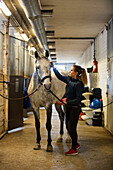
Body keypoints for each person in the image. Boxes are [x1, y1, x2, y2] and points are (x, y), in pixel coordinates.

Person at [53, 64, 87, 155]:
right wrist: (53, 67)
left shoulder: (79, 84)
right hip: (68, 107)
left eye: (71, 70)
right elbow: (59, 77)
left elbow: (79, 98)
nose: (70, 72)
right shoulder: (69, 79)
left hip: (75, 108)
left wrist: (67, 102)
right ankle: (75, 143)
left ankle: (74, 149)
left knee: (72, 128)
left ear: (76, 73)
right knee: (68, 126)